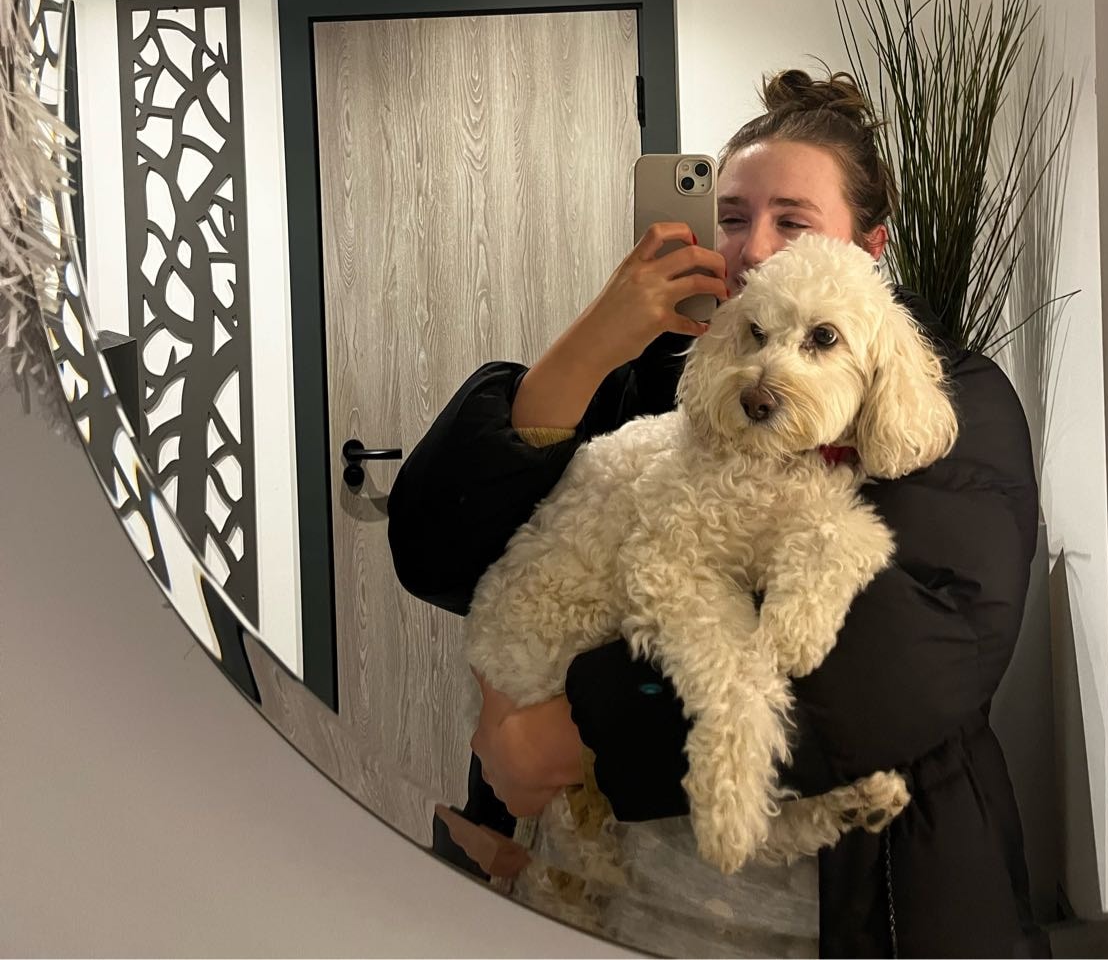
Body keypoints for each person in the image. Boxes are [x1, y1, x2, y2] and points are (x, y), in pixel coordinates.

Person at [388, 68, 1049, 958]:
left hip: (827, 910)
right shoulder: (667, 385)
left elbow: (898, 667)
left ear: (871, 246)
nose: (753, 250)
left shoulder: (955, 404)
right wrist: (590, 346)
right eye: (732, 218)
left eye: (792, 221)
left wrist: (573, 730)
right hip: (596, 896)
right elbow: (443, 554)